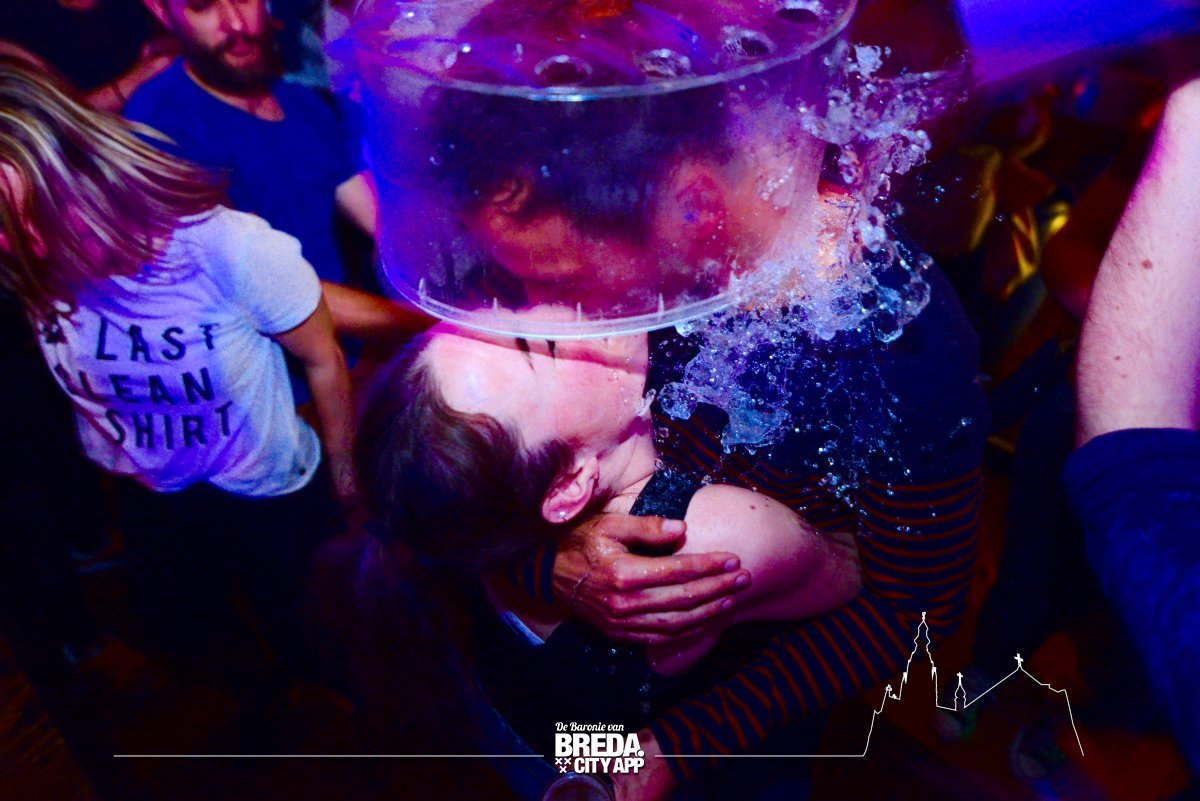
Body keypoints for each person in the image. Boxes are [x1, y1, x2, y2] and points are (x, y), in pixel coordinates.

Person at [353, 314, 864, 799]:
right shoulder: (701, 534)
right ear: (570, 486)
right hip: (611, 764)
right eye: (543, 347)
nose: (554, 306)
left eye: (500, 311)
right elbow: (859, 569)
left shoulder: (482, 503)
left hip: (518, 714)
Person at [0, 55, 356, 742]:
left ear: (76, 162)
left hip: (266, 489)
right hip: (150, 490)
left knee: (307, 628)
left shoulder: (224, 246)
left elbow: (321, 355)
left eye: (29, 211)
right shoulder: (29, 264)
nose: (25, 244)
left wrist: (346, 478)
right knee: (197, 631)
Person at [125, 0, 428, 341]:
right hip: (264, 367)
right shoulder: (160, 124)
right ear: (161, 11)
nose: (236, 24)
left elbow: (375, 216)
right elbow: (263, 288)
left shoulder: (301, 103)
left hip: (339, 350)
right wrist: (429, 325)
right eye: (203, 6)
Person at [1067, 70, 1200, 774]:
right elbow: (1067, 251)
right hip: (1103, 394)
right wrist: (1137, 324)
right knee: (1047, 580)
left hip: (1147, 456)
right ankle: (993, 685)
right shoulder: (1148, 139)